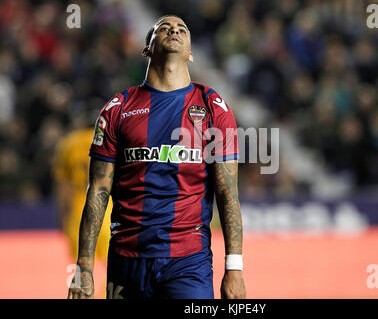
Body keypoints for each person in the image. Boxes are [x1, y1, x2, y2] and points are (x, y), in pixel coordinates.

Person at [68, 15, 246, 299]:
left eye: (182, 29)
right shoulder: (118, 109)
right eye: (163, 27)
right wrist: (83, 268)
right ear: (147, 48)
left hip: (189, 262)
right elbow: (98, 190)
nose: (174, 29)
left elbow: (227, 191)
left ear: (190, 53)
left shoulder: (213, 108)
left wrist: (234, 268)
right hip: (127, 261)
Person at [53, 110, 113, 298]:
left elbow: (63, 186)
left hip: (78, 215)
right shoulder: (111, 141)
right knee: (115, 266)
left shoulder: (68, 144)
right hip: (106, 214)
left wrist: (62, 217)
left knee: (82, 268)